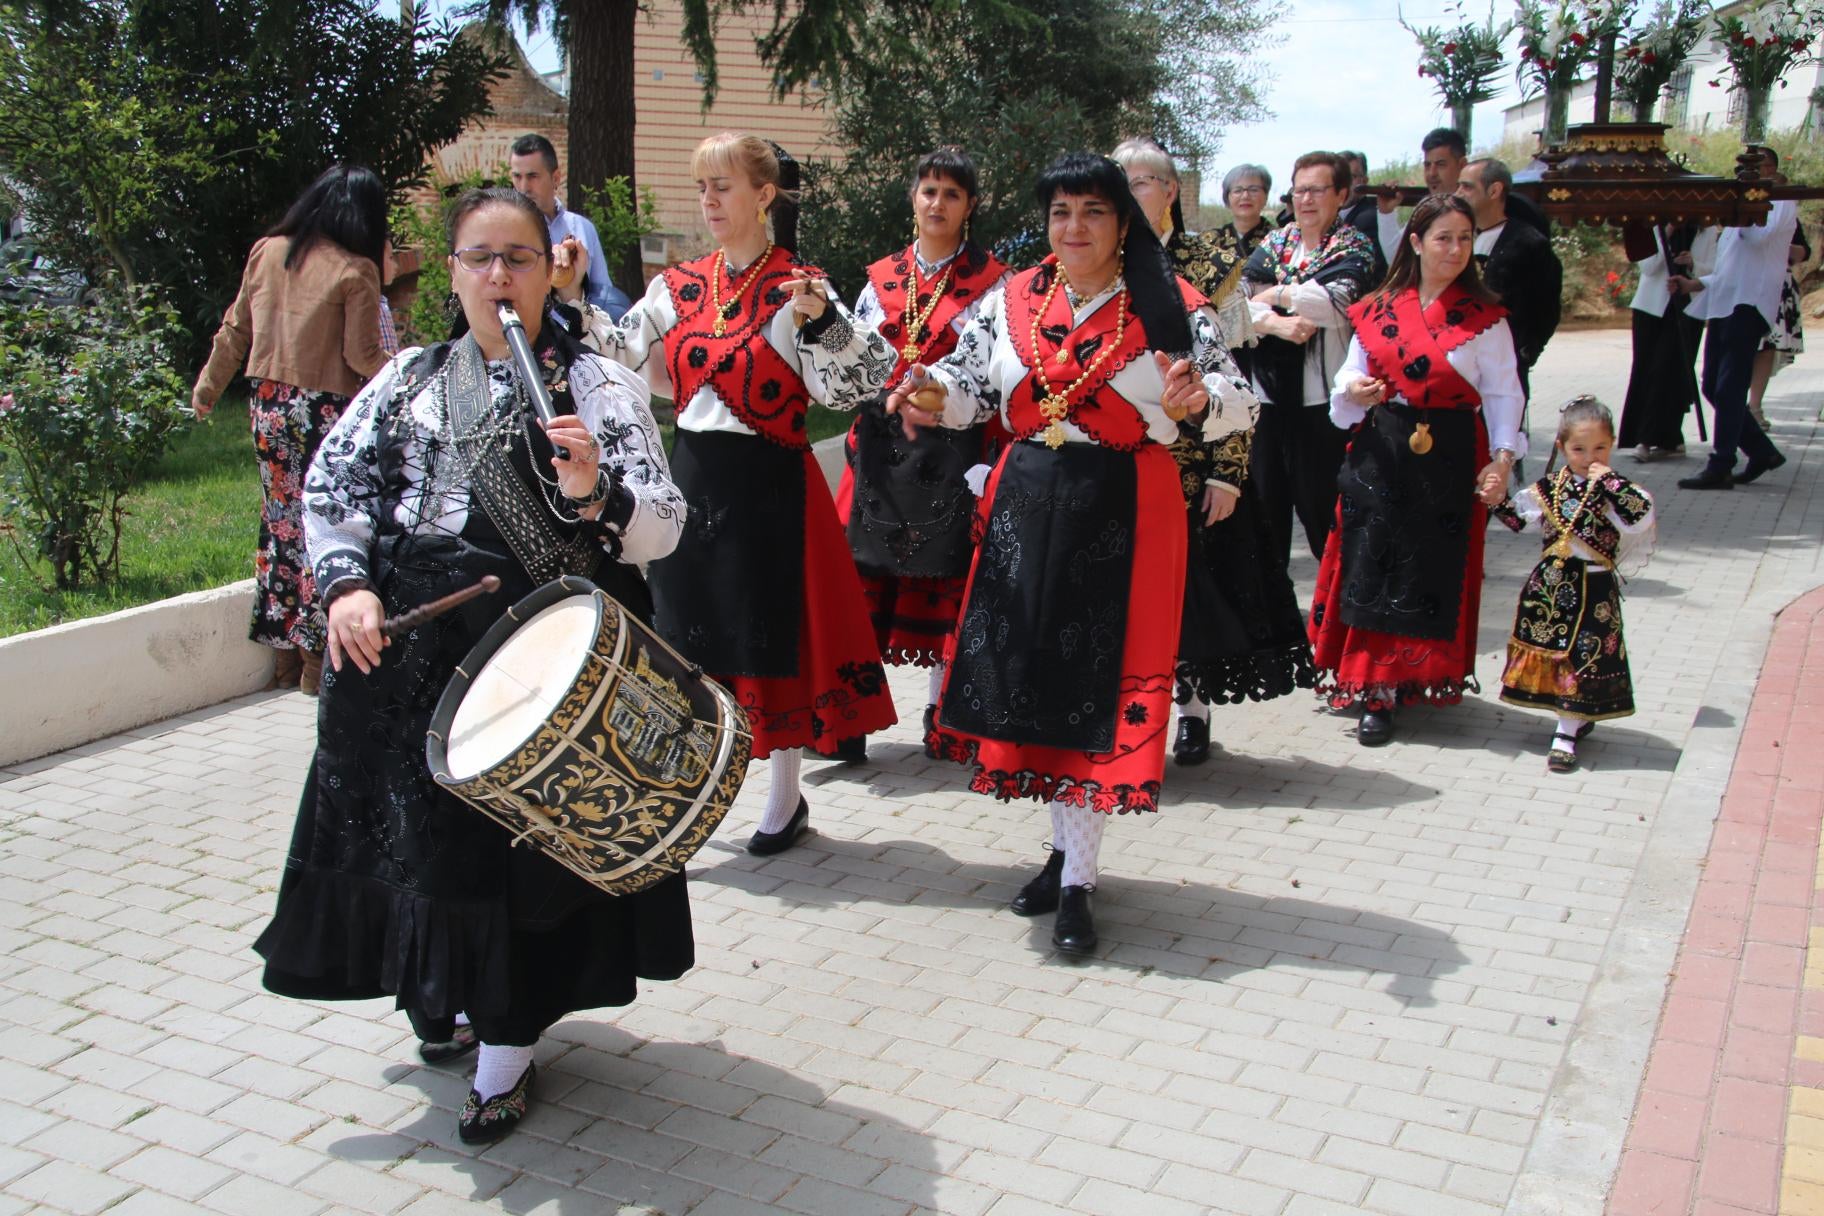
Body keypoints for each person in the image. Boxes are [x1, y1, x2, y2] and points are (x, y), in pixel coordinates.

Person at [252, 187, 691, 1145]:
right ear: (451, 271)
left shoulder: (601, 387)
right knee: (426, 842)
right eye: (480, 257)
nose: (500, 276)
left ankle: (507, 1047)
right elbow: (334, 483)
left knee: (519, 857)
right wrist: (345, 587)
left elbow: (662, 526)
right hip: (415, 648)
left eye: (520, 259)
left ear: (553, 271)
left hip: (546, 657)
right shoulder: (410, 377)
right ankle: (447, 993)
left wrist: (595, 490)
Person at [887, 152, 1257, 957]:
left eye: (1092, 211)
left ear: (1124, 223)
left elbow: (1239, 403)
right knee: (1044, 683)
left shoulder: (1172, 306)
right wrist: (930, 393)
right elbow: (969, 387)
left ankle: (1079, 882)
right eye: (1060, 213)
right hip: (1027, 504)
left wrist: (1203, 401)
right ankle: (1063, 852)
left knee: (1098, 687)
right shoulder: (1010, 298)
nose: (1074, 228)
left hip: (1126, 507)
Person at [574, 132, 898, 855]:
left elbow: (859, 384)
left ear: (764, 194)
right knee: (688, 633)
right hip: (693, 476)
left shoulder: (801, 286)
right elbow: (619, 357)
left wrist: (824, 321)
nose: (710, 200)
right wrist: (571, 294)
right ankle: (687, 791)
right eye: (702, 187)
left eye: (723, 185)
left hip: (771, 483)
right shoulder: (678, 285)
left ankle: (785, 800)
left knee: (768, 638)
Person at [1110, 138, 1310, 767]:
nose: (1127, 191)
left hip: (1195, 459)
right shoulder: (1093, 261)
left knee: (1200, 590)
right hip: (1118, 456)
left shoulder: (1214, 262)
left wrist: (1229, 473)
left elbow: (1236, 377)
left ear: (1170, 190)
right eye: (1118, 180)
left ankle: (1193, 715)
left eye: (1139, 181)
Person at [1311, 193, 1526, 747]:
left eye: (1464, 238)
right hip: (1382, 448)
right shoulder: (1379, 309)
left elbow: (1505, 394)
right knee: (1373, 558)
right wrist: (1353, 390)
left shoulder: (1486, 319)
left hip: (1453, 453)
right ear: (1415, 243)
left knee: (1430, 565)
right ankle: (1373, 688)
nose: (1455, 249)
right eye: (1443, 238)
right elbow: (1348, 379)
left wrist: (1502, 460)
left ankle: (1418, 674)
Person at [833, 148, 1011, 764]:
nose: (937, 204)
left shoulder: (997, 284)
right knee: (857, 581)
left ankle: (947, 716)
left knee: (951, 584)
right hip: (880, 449)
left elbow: (995, 374)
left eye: (952, 194)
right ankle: (849, 718)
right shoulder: (879, 276)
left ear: (971, 206)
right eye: (928, 190)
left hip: (953, 449)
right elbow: (853, 356)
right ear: (913, 197)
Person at [192, 164, 390, 695]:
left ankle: (282, 652)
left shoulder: (267, 252)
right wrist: (409, 372)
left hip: (267, 407)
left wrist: (208, 389)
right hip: (323, 414)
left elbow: (236, 329)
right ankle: (311, 663)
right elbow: (360, 354)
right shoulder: (357, 270)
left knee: (280, 523)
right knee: (321, 523)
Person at [1493, 396, 1655, 774]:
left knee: (1584, 656)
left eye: (1599, 447)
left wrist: (1611, 481)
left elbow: (1640, 518)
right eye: (1579, 448)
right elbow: (1518, 518)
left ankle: (1565, 733)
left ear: (1612, 444)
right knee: (1554, 653)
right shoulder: (1549, 488)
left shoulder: (1616, 490)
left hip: (1594, 587)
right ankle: (1573, 718)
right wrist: (1492, 494)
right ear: (1562, 447)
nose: (1589, 456)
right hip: (1551, 587)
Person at [1241, 151, 1377, 563]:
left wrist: (1276, 292)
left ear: (1340, 194)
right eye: (1300, 191)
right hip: (1265, 400)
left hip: (1322, 406)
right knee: (1266, 515)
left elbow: (1338, 306)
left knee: (1324, 513)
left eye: (1317, 190)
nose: (1306, 200)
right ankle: (1273, 620)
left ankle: (1333, 616)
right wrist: (1277, 323)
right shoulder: (1274, 242)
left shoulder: (1355, 246)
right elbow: (1230, 305)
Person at [1678, 147, 1796, 491]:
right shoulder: (1736, 212)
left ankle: (1722, 462)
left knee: (1730, 385)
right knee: (1713, 385)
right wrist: (1695, 283)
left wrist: (1736, 212)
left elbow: (1757, 237)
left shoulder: (1780, 202)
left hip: (1750, 302)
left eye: (1759, 170)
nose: (1752, 177)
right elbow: (1728, 268)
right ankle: (1761, 451)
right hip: (1725, 301)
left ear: (1772, 171)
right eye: (1745, 171)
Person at [1458, 157, 1561, 399]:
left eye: (1467, 186)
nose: (1459, 192)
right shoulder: (1459, 236)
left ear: (1494, 190)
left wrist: (1524, 354)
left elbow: (1546, 308)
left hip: (1504, 373)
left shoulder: (1529, 244)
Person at [1617, 221, 1716, 460]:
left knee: (1673, 371)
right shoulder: (1654, 225)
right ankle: (1644, 436)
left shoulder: (1708, 229)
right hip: (1651, 306)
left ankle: (1665, 435)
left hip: (1687, 305)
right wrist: (1666, 232)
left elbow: (1714, 270)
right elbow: (1648, 266)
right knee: (1647, 369)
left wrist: (1693, 263)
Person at [509, 133, 633, 321]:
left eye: (533, 176)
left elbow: (603, 296)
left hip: (581, 336)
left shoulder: (582, 228)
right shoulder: (507, 231)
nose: (524, 186)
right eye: (517, 176)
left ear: (556, 178)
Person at [1420, 127, 1549, 237]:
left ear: (1462, 164)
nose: (1432, 174)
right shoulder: (1426, 212)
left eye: (1441, 164)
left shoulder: (1513, 214)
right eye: (1427, 165)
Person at [1748, 217, 1809, 431]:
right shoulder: (1741, 214)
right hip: (1747, 282)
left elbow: (1804, 252)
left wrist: (1780, 244)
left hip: (1778, 285)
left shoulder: (1787, 218)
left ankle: (1755, 406)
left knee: (1767, 348)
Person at [1217, 164, 1275, 262]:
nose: (1245, 196)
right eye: (1237, 190)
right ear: (1227, 199)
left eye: (1253, 190)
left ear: (1266, 197)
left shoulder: (1281, 240)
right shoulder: (1209, 241)